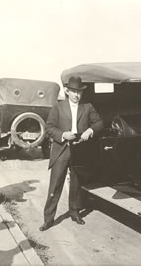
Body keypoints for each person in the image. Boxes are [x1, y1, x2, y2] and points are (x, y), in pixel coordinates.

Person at [40, 76, 103, 231]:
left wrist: (90, 130)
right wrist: (62, 135)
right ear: (67, 91)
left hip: (80, 149)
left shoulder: (87, 107)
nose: (76, 95)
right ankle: (48, 219)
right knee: (55, 186)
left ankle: (74, 212)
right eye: (73, 91)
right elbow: (49, 127)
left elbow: (100, 122)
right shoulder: (58, 107)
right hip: (62, 149)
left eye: (79, 92)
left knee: (76, 184)